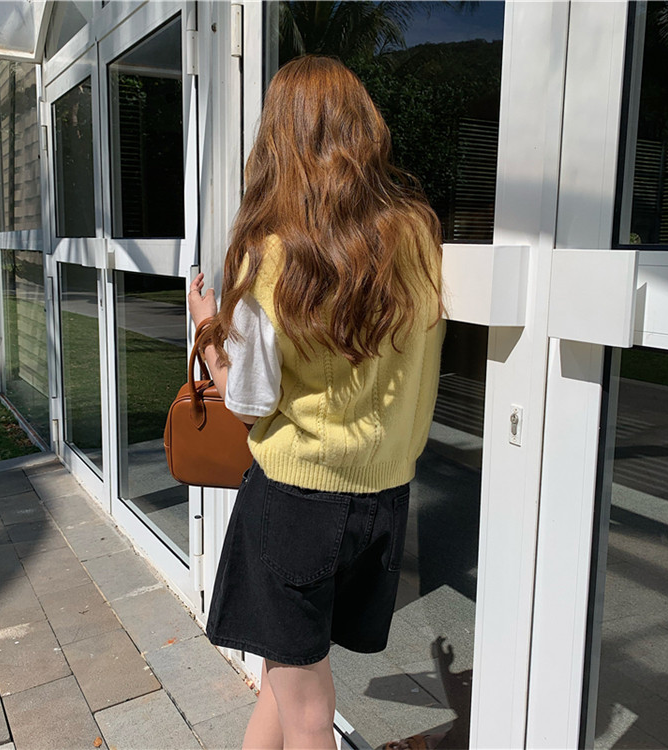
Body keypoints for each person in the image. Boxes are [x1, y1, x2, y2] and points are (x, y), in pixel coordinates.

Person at [187, 55, 447, 750]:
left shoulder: (270, 254)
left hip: (298, 502)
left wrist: (207, 330)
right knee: (284, 671)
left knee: (306, 708)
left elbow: (248, 404)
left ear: (278, 141)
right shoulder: (417, 237)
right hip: (384, 499)